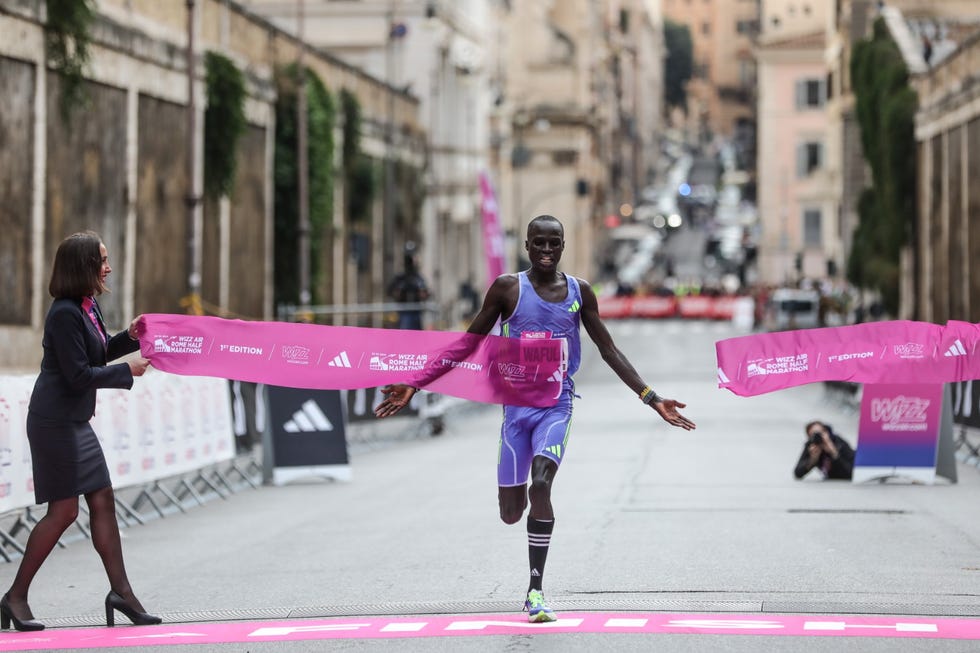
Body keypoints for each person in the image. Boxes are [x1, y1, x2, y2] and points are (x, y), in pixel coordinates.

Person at [374, 215, 695, 622]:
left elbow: (609, 350)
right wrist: (416, 384)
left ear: (563, 246)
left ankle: (535, 591)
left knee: (542, 483)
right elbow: (468, 344)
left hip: (556, 406)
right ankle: (520, 508)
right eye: (539, 243)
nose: (546, 251)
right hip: (515, 413)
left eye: (554, 244)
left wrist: (651, 397)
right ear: (527, 246)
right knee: (512, 511)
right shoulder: (508, 289)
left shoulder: (580, 292)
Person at [1, 231, 161, 631]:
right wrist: (129, 371)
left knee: (103, 499)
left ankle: (122, 593)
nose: (108, 266)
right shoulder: (63, 314)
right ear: (83, 266)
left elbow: (98, 351)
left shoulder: (88, 307)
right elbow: (76, 376)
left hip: (73, 421)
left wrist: (130, 337)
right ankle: (14, 597)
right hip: (54, 422)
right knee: (64, 511)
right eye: (102, 260)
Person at [387, 243, 430, 330]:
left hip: (416, 313)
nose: (410, 261)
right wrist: (398, 293)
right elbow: (390, 291)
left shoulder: (418, 278)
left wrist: (421, 293)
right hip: (403, 312)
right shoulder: (400, 278)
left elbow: (425, 294)